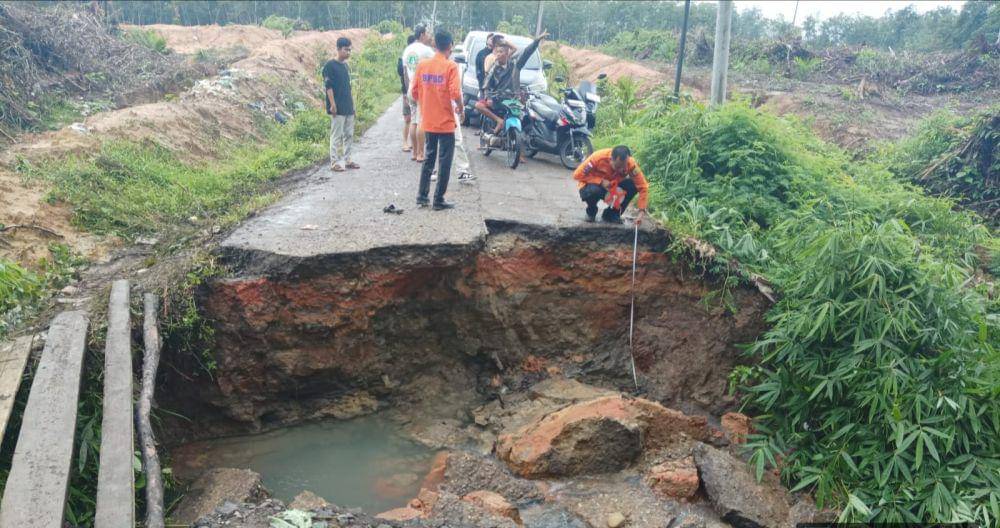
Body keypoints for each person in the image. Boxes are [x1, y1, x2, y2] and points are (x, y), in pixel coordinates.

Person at [411, 29, 463, 210]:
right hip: (445, 122)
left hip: (428, 121)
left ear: (435, 45)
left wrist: (427, 101)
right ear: (450, 46)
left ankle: (422, 196)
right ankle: (439, 199)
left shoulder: (423, 65)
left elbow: (414, 92)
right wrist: (461, 108)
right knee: (444, 162)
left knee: (429, 158)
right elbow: (455, 93)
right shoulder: (451, 66)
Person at [475, 30, 547, 135]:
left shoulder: (515, 65)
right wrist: (489, 97)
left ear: (507, 53)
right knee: (478, 105)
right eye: (497, 52)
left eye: (501, 52)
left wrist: (537, 41)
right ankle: (498, 121)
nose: (498, 54)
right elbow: (486, 83)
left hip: (513, 100)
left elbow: (526, 52)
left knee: (528, 116)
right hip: (498, 100)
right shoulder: (494, 67)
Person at [573, 146, 649, 223]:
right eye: (618, 167)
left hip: (613, 189)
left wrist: (641, 212)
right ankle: (591, 211)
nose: (621, 169)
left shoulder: (631, 165)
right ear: (611, 159)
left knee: (632, 185)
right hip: (595, 187)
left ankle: (611, 214)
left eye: (624, 167)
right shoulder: (597, 158)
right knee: (593, 190)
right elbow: (577, 174)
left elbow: (643, 186)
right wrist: (600, 181)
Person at [402, 25, 435, 162]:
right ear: (422, 34)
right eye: (427, 34)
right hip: (422, 88)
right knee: (421, 121)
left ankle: (415, 153)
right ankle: (421, 153)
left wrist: (407, 90)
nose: (429, 36)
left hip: (411, 87)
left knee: (414, 121)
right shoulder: (426, 50)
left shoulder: (407, 50)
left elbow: (405, 73)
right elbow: (438, 63)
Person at [323, 37, 357, 172]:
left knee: (349, 135)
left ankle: (348, 160)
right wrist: (332, 105)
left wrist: (352, 105)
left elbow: (348, 87)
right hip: (337, 108)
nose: (348, 52)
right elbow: (328, 87)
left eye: (349, 50)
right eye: (345, 50)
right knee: (336, 135)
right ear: (338, 49)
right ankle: (334, 162)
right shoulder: (329, 66)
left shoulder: (345, 66)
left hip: (348, 106)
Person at [398, 34, 417, 152]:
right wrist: (405, 94)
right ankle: (405, 142)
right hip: (407, 92)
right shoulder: (404, 59)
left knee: (416, 120)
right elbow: (403, 77)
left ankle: (414, 143)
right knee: (408, 118)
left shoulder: (419, 58)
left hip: (417, 93)